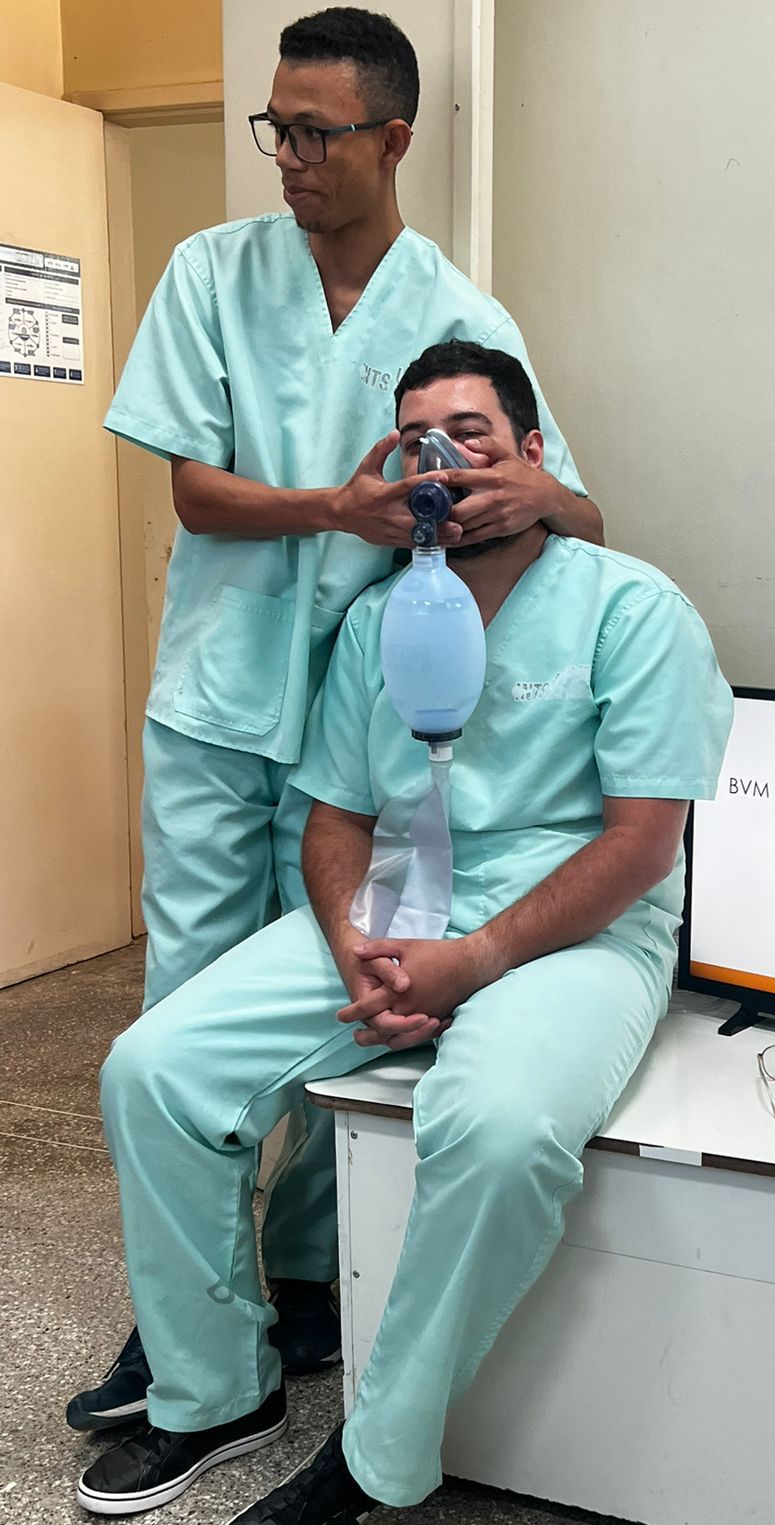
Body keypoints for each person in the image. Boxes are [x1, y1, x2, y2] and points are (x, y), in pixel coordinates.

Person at [76, 341, 733, 1525]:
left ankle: (370, 1458)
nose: (444, 461)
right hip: (393, 909)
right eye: (419, 437)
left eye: (472, 433)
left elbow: (643, 843)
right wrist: (355, 945)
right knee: (153, 1068)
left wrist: (472, 960)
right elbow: (334, 814)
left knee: (496, 1124)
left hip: (577, 925)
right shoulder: (380, 617)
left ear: (534, 455)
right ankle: (213, 1387)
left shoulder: (632, 607)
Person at [70, 7, 602, 1427]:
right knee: (187, 1012)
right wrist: (335, 508)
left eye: (317, 132)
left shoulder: (464, 316)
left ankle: (305, 1275)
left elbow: (557, 505)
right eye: (278, 130)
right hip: (219, 699)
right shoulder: (212, 271)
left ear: (394, 137)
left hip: (370, 733)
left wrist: (536, 498)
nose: (291, 157)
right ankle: (185, 1312)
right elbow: (195, 492)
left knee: (337, 984)